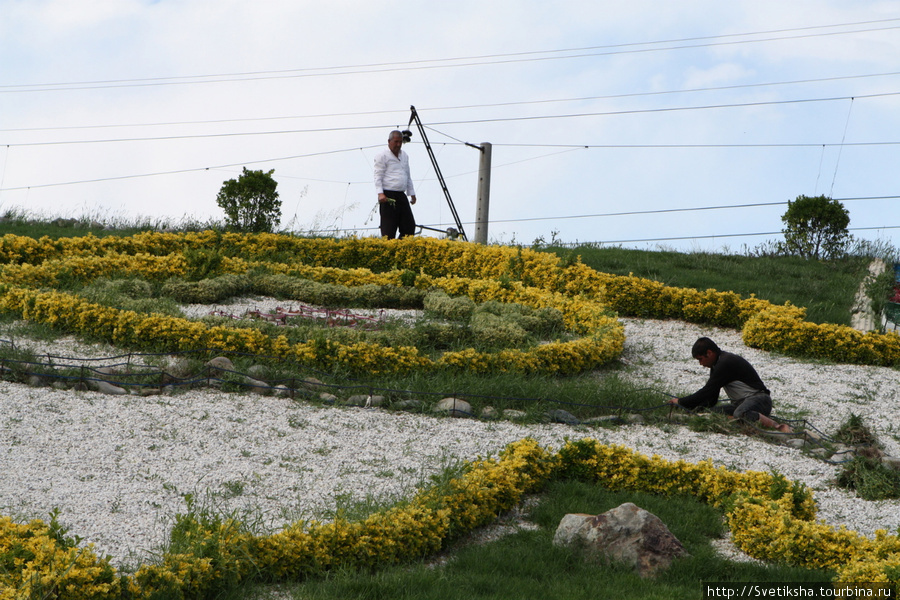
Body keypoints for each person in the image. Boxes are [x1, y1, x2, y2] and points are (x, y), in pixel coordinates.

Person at [668, 337, 792, 433]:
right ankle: (743, 419)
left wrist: (681, 402)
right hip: (740, 403)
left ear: (709, 353)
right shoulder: (716, 365)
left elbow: (706, 391)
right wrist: (694, 410)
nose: (700, 363)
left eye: (700, 359)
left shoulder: (725, 362)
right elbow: (711, 398)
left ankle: (778, 427)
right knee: (711, 412)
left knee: (740, 414)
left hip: (760, 400)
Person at [374, 130, 417, 239]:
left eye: (400, 142)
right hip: (388, 195)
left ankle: (402, 248)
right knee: (389, 228)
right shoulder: (382, 155)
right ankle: (390, 251)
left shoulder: (404, 156)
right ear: (389, 141)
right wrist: (380, 193)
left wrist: (411, 193)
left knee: (409, 226)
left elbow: (407, 175)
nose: (398, 145)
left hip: (401, 194)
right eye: (396, 142)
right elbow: (378, 175)